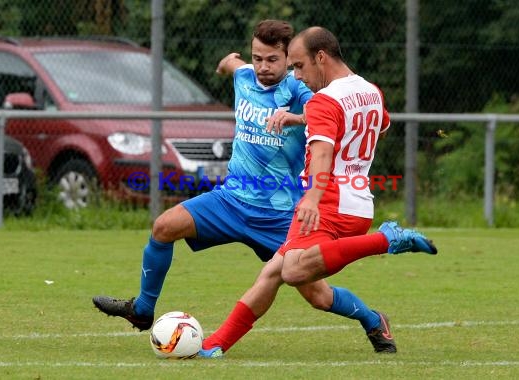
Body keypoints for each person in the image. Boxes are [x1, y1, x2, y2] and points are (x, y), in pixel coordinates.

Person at [92, 21, 381, 345]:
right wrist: (227, 64)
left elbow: (332, 113)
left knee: (317, 295)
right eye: (257, 57)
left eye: (273, 59)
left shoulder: (303, 90)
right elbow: (236, 65)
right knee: (164, 227)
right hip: (231, 199)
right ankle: (143, 310)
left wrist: (295, 118)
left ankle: (372, 318)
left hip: (280, 213)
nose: (263, 66)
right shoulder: (244, 75)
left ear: (290, 60)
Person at [198, 26, 437, 358]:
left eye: (299, 66)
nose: (297, 76)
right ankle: (216, 344)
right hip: (359, 202)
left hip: (328, 202)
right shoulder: (369, 90)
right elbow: (381, 126)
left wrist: (311, 197)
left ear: (320, 58)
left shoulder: (325, 100)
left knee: (292, 271)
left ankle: (387, 240)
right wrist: (302, 120)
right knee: (280, 276)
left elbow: (323, 154)